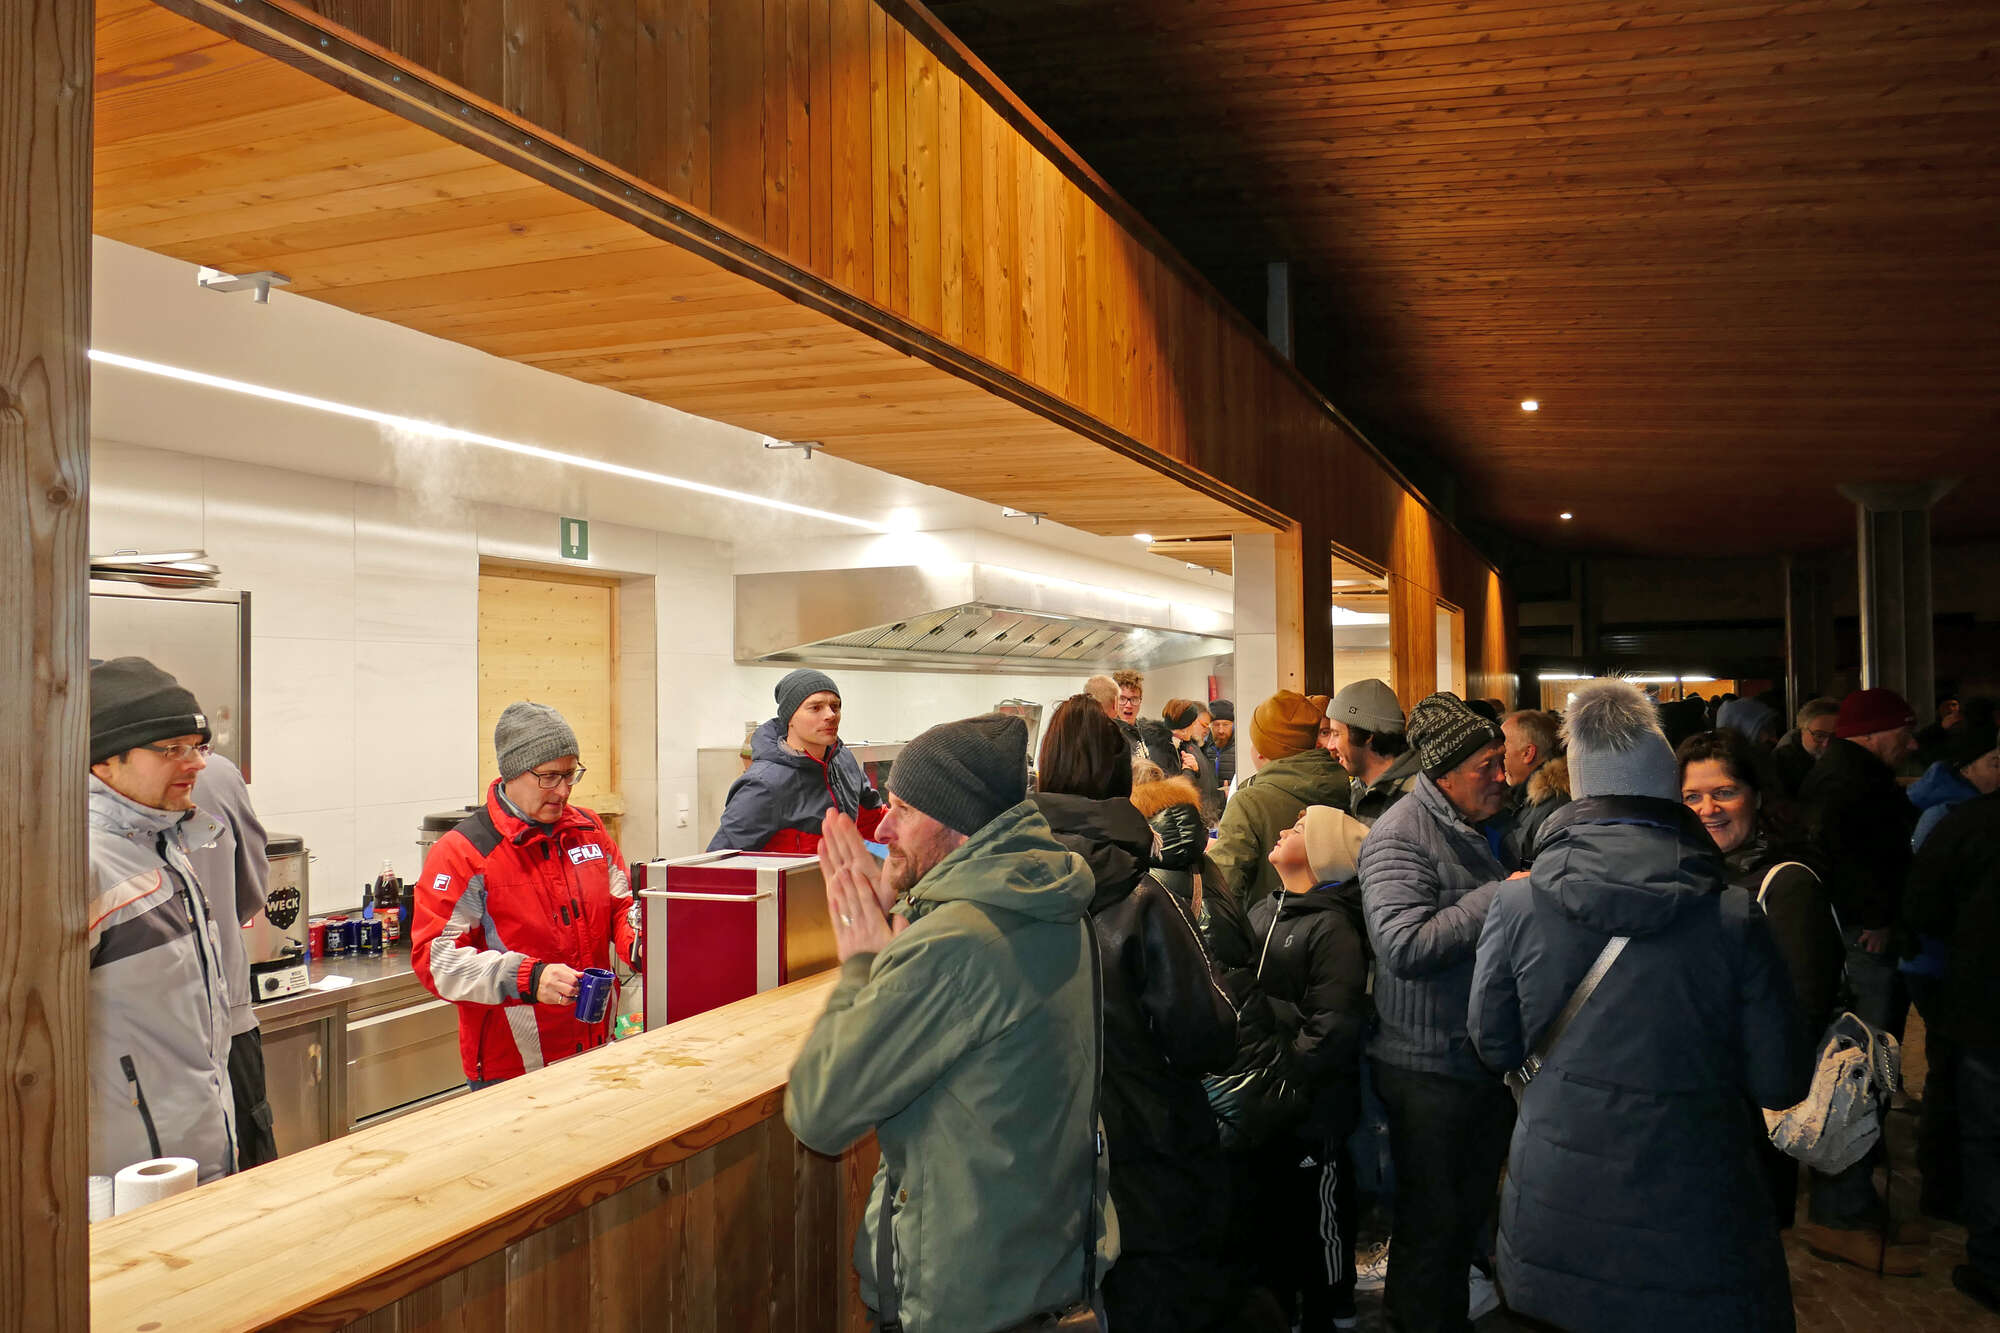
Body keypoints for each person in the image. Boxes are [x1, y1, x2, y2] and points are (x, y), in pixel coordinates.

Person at [1470, 681, 1806, 1331]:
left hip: (1555, 1211)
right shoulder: (1733, 914)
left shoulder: (1515, 904)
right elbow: (1780, 1080)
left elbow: (1494, 1046)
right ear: (1667, 792)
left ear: (1579, 788)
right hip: (1698, 1214)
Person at [785, 714, 1109, 1333]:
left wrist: (862, 966)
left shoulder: (956, 944)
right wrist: (904, 910)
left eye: (904, 811)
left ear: (959, 825)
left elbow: (820, 1112)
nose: (882, 828)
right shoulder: (1051, 900)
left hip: (960, 1295)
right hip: (1046, 1268)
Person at [1034, 697, 1241, 1332]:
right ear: (1119, 776)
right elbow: (1206, 1035)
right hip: (1148, 1151)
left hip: (1045, 1154)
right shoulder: (1143, 895)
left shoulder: (1009, 884)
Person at [1678, 730, 1875, 1256]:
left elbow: (1799, 1014)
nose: (1708, 809)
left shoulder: (1785, 883)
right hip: (1705, 1103)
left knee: (1745, 1247)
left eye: (1724, 792)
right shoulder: (1698, 873)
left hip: (1751, 1113)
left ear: (1758, 796)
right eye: (1693, 796)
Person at [1357, 691, 1517, 1333]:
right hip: (1427, 1067)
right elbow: (1402, 945)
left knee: (1454, 1222)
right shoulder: (1401, 834)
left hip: (1465, 1057)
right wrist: (1498, 897)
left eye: (1503, 761)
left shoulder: (1468, 824)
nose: (1503, 777)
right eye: (1487, 767)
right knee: (1432, 1226)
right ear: (1445, 773)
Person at [411, 702, 639, 1087]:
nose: (563, 790)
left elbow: (621, 906)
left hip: (597, 1046)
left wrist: (639, 943)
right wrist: (528, 978)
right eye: (549, 777)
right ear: (512, 772)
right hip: (513, 1069)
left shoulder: (588, 831)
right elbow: (436, 961)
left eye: (570, 775)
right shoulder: (465, 852)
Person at [86, 657, 238, 1183]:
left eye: (197, 747)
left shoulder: (163, 845)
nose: (195, 764)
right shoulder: (78, 865)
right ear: (103, 761)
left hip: (193, 1160)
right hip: (122, 1188)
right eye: (171, 749)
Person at [1251, 805, 1373, 1333]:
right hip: (1271, 1100)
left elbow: (1331, 1026)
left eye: (1300, 829)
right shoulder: (1265, 911)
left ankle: (1332, 1306)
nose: (1283, 830)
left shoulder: (1332, 928)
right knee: (1278, 1210)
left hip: (1312, 1106)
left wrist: (1282, 1076)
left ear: (1322, 854)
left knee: (1320, 1211)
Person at [1904, 782, 2000, 1313]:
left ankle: (1992, 1266)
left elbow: (1923, 909)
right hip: (1982, 1009)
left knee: (1988, 1141)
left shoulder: (1969, 822)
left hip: (1985, 1009)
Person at [1798, 687, 1920, 1037]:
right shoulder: (1853, 781)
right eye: (1904, 735)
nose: (1912, 745)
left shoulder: (1852, 772)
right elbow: (1852, 856)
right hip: (1864, 932)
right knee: (1873, 1025)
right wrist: (1876, 919)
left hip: (1860, 922)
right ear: (1869, 734)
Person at [185, 753, 278, 1170]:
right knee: (250, 1183)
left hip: (130, 1055)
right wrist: (218, 926)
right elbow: (251, 890)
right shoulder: (218, 772)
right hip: (229, 1018)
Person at [711, 669, 885, 852]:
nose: (831, 715)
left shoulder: (845, 760)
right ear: (790, 718)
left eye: (835, 706)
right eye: (815, 708)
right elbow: (721, 860)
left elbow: (872, 821)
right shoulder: (763, 784)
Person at [1210, 692, 1351, 906]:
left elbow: (1222, 890)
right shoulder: (1343, 788)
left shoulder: (1249, 802)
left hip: (1268, 922)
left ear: (1261, 751)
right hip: (1333, 919)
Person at [1325, 679, 1420, 826]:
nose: (1330, 745)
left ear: (1367, 735)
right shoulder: (1356, 789)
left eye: (1336, 734)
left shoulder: (1416, 797)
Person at [1500, 708, 1570, 864]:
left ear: (1527, 753)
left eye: (1503, 748)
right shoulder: (1524, 799)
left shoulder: (1555, 807)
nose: (1499, 757)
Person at [1164, 696, 1224, 824]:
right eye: (1204, 725)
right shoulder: (1173, 748)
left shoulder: (1195, 747)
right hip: (1189, 822)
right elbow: (1176, 793)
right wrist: (1189, 770)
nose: (1206, 731)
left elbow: (1205, 786)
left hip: (1205, 818)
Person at [1112, 668, 1180, 774]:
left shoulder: (1145, 732)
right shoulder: (1110, 736)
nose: (1128, 705)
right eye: (1122, 699)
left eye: (1134, 699)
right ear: (1114, 700)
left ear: (1140, 701)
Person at [1773, 697, 1840, 799]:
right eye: (1819, 736)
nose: (1826, 744)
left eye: (1834, 737)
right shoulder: (1781, 761)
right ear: (1802, 731)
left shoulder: (1845, 757)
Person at [1915, 692, 1966, 770]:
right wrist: (1941, 728)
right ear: (1939, 710)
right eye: (1946, 706)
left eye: (1954, 705)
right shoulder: (1932, 730)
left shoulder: (1966, 726)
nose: (1951, 709)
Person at [1210, 699, 1239, 788]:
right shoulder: (1202, 746)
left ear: (1233, 724)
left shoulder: (1239, 748)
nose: (1221, 730)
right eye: (1216, 725)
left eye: (1225, 725)